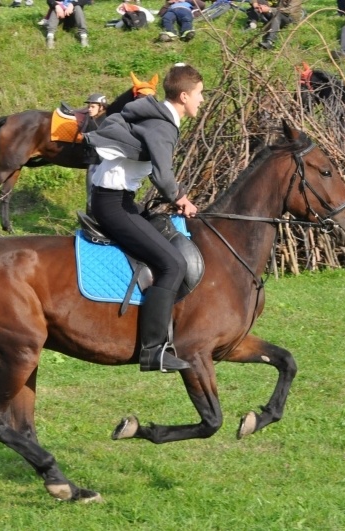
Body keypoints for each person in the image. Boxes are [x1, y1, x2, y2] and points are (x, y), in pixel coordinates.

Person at [83, 64, 203, 373]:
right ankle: (154, 350)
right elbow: (163, 176)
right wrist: (181, 199)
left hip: (119, 200)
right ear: (185, 95)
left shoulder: (157, 117)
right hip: (113, 206)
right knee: (173, 264)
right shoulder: (163, 125)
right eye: (200, 95)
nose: (201, 101)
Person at [82, 93, 108, 214]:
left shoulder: (102, 122)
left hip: (97, 162)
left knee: (91, 195)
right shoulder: (96, 120)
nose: (89, 109)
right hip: (98, 161)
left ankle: (90, 221)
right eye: (89, 106)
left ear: (101, 107)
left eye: (93, 106)